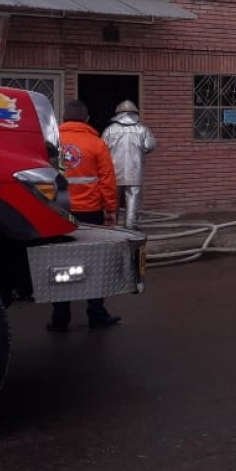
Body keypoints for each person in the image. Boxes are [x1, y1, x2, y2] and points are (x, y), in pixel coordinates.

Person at [50, 99, 121, 332]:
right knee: (94, 262)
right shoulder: (96, 144)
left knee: (61, 263)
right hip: (90, 212)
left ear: (63, 118)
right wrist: (110, 210)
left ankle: (60, 317)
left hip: (58, 211)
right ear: (87, 119)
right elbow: (107, 181)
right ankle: (96, 313)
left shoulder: (52, 142)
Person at [102, 99, 156, 229]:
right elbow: (149, 146)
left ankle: (112, 228)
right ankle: (130, 227)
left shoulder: (109, 130)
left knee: (112, 201)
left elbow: (101, 149)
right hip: (135, 171)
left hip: (114, 173)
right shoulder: (143, 130)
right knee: (132, 201)